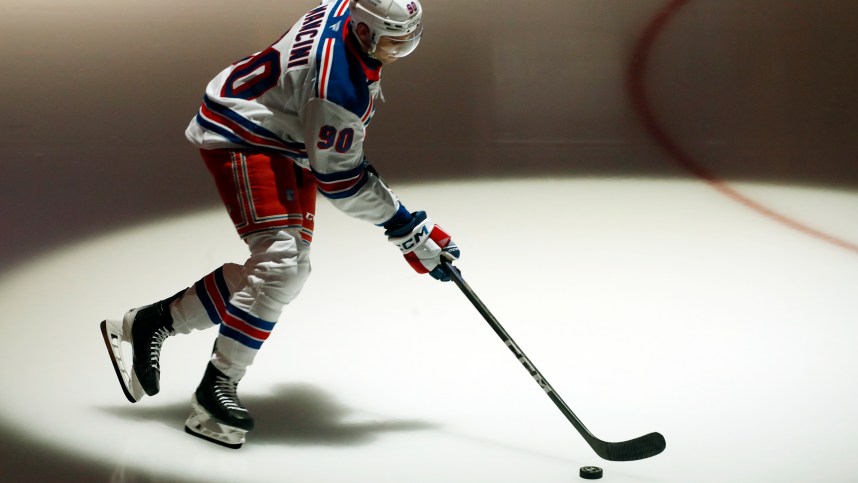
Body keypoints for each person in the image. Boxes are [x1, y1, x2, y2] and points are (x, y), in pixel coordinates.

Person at [99, 0, 459, 449]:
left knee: (283, 270)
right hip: (245, 133)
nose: (402, 47)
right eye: (393, 40)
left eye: (410, 38)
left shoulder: (346, 8)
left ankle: (153, 323)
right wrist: (407, 229)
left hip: (279, 131)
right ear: (364, 32)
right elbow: (342, 180)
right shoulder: (339, 89)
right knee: (282, 266)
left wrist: (408, 230)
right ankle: (215, 392)